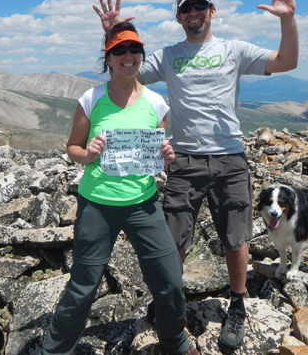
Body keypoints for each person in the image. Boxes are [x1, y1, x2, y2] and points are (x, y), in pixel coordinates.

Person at [93, 0, 298, 350]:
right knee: (173, 240)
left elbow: (286, 61)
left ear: (212, 11)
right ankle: (171, 301)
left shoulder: (235, 50)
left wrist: (287, 17)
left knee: (236, 238)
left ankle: (237, 304)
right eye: (186, 7)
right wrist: (114, 32)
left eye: (199, 5)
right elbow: (124, 68)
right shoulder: (168, 56)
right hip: (184, 160)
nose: (193, 12)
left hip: (229, 158)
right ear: (178, 17)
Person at [40, 21, 197, 355]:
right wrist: (89, 153)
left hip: (143, 204)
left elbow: (155, 158)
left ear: (141, 55)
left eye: (135, 49)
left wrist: (165, 157)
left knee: (169, 281)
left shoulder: (156, 103)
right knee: (84, 285)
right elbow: (73, 148)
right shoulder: (91, 98)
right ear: (108, 59)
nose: (129, 55)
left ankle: (176, 343)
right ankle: (54, 351)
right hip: (97, 204)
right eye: (119, 50)